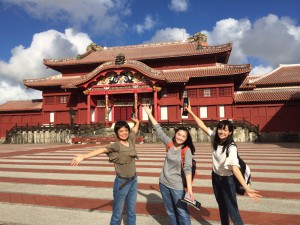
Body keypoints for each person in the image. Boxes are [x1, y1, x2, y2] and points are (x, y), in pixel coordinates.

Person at [185, 104, 262, 225]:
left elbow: (235, 168)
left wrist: (247, 188)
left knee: (232, 210)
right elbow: (201, 125)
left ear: (230, 132)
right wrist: (190, 111)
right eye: (220, 129)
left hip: (227, 180)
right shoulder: (214, 138)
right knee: (222, 207)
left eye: (225, 130)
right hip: (215, 177)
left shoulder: (231, 148)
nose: (222, 132)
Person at [70, 117, 139, 225]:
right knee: (117, 213)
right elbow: (101, 150)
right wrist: (84, 156)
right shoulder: (116, 146)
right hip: (122, 183)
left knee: (132, 211)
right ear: (116, 132)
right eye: (121, 131)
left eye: (126, 130)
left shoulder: (130, 139)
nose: (124, 133)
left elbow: (134, 129)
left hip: (133, 181)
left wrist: (137, 122)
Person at [143, 104, 194, 225]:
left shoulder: (186, 150)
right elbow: (159, 131)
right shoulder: (170, 144)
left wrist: (190, 190)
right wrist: (149, 114)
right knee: (170, 211)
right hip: (163, 183)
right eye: (178, 134)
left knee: (182, 211)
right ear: (175, 134)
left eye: (183, 136)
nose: (180, 137)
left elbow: (187, 169)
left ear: (186, 138)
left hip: (177, 186)